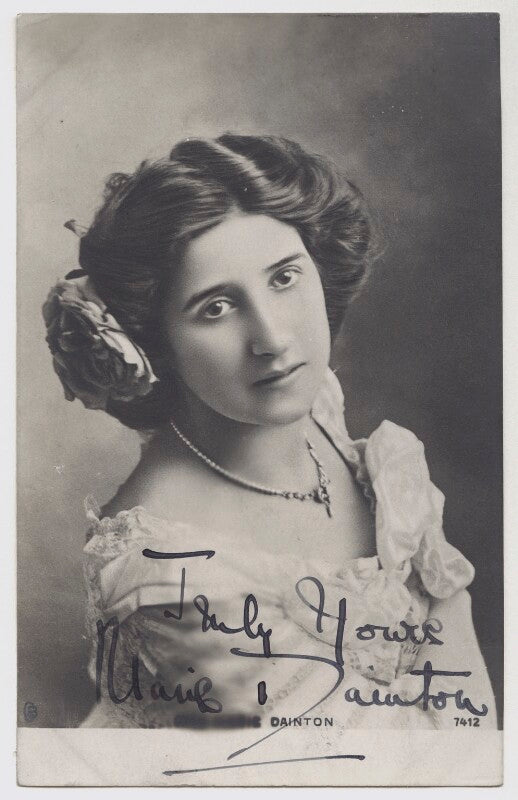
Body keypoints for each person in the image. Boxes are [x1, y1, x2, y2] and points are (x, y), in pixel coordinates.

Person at [42, 134, 496, 736]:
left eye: (284, 278)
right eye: (216, 308)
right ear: (154, 345)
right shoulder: (165, 576)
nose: (274, 339)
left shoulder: (313, 405)